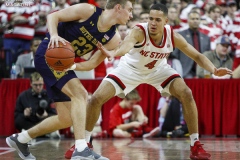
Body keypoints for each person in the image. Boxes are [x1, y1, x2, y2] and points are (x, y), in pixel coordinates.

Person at [66, 3, 232, 160]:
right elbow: (126, 46)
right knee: (95, 99)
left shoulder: (172, 36)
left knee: (186, 93)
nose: (152, 23)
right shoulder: (139, 31)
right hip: (129, 70)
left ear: (166, 21)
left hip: (158, 71)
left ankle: (195, 145)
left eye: (157, 20)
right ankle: (83, 145)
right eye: (150, 18)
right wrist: (114, 53)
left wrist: (214, 70)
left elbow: (197, 55)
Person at [6, 1, 134, 160]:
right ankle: (81, 148)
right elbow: (53, 16)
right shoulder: (88, 10)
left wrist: (72, 66)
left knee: (65, 118)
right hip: (47, 54)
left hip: (62, 64)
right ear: (118, 7)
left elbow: (92, 63)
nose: (131, 15)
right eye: (129, 10)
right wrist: (54, 36)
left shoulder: (113, 38)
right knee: (80, 93)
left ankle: (20, 139)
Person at [14, 72, 60, 138]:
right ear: (30, 84)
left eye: (40, 85)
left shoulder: (49, 96)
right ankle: (36, 133)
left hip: (44, 123)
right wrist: (24, 114)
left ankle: (33, 133)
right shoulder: (23, 96)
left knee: (55, 120)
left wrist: (46, 115)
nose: (38, 87)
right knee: (19, 121)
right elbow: (16, 118)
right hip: (30, 123)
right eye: (35, 85)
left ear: (43, 83)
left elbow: (55, 114)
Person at [172, 10, 211, 78]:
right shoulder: (180, 35)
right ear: (188, 20)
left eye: (197, 19)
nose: (195, 21)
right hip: (185, 71)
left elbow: (208, 55)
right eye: (192, 19)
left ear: (200, 21)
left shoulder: (206, 37)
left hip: (202, 71)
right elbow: (175, 54)